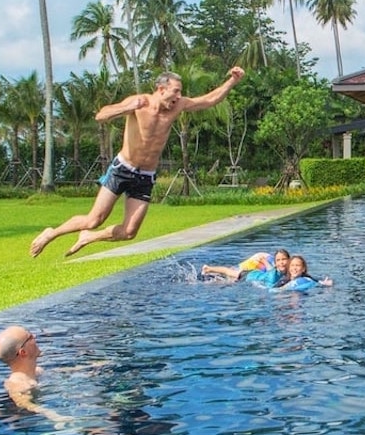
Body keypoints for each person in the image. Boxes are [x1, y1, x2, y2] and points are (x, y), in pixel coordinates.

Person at [29, 67, 246, 258]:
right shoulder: (139, 103)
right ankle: (52, 233)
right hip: (122, 168)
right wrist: (126, 107)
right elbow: (101, 115)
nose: (179, 96)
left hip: (145, 176)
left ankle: (89, 238)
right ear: (161, 89)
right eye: (175, 90)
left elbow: (209, 100)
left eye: (180, 91)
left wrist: (233, 81)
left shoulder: (178, 106)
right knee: (94, 219)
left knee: (129, 232)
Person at [0, 325, 68, 422]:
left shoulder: (37, 371)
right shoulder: (18, 384)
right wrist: (55, 416)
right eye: (30, 337)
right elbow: (24, 403)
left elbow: (59, 372)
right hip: (33, 424)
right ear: (23, 352)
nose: (35, 337)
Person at [202, 248, 291, 283]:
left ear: (289, 260)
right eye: (279, 260)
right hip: (248, 274)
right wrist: (264, 261)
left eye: (284, 259)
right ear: (275, 262)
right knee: (230, 273)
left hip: (255, 272)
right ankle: (208, 269)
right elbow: (268, 268)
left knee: (229, 277)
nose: (281, 262)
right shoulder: (273, 269)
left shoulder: (289, 270)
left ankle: (213, 274)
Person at [265, 254, 332, 290]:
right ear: (289, 268)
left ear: (303, 269)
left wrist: (324, 284)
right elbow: (273, 290)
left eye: (297, 265)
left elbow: (317, 281)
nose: (294, 268)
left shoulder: (307, 278)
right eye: (292, 265)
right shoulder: (284, 281)